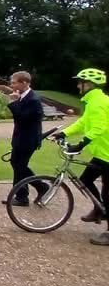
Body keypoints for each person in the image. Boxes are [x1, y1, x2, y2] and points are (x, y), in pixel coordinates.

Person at [55, 68, 109, 245]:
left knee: (108, 192)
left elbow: (99, 128)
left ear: (90, 84)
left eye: (80, 82)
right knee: (85, 180)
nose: (78, 85)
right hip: (102, 154)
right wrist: (64, 133)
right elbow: (83, 122)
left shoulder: (99, 102)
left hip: (107, 154)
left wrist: (81, 144)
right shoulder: (93, 101)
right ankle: (100, 210)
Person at [5, 71, 47, 207]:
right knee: (17, 164)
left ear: (24, 83)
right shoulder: (23, 97)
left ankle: (26, 194)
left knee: (19, 166)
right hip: (20, 138)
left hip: (28, 140)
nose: (11, 85)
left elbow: (23, 119)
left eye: (14, 82)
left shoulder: (33, 99)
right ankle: (27, 193)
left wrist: (13, 103)